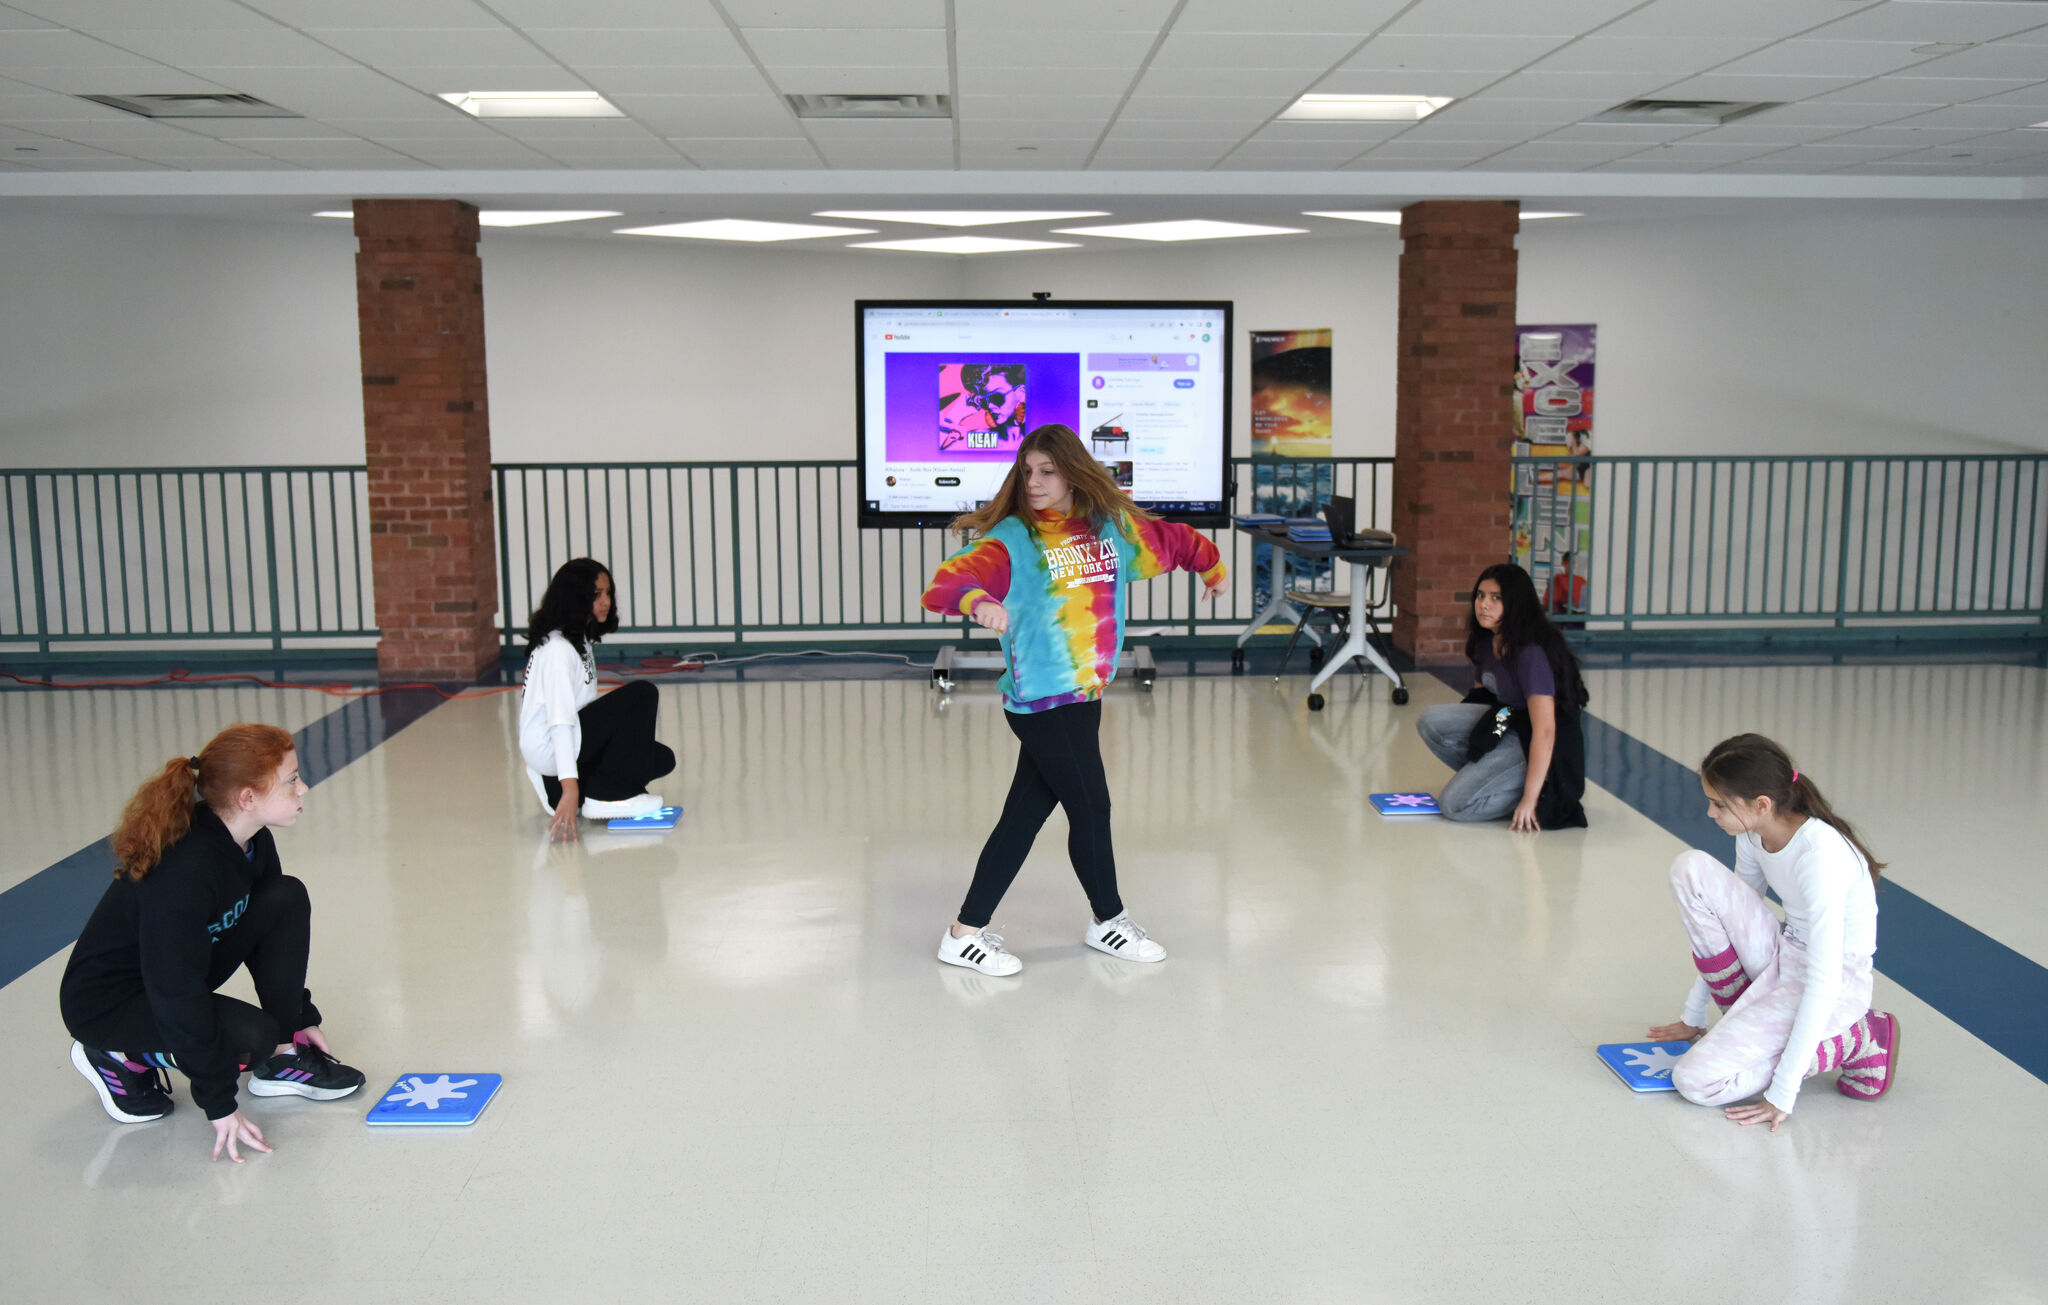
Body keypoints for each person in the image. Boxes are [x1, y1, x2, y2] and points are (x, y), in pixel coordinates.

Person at [921, 424, 1227, 976]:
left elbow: (1173, 540)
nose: (1034, 482)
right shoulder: (1014, 537)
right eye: (1027, 471)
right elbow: (949, 580)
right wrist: (976, 601)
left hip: (1085, 692)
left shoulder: (1107, 529)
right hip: (1044, 701)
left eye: (1048, 471)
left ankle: (964, 932)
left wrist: (1211, 565)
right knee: (1091, 806)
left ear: (1073, 473)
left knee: (1023, 816)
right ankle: (1109, 919)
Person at [59, 724, 366, 1162]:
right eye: (292, 780)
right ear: (247, 797)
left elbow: (270, 937)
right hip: (112, 1003)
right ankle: (120, 1055)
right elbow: (175, 989)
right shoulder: (184, 873)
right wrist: (219, 1102)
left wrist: (297, 1019)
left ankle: (282, 1056)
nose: (304, 789)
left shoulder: (251, 839)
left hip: (177, 968)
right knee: (250, 1039)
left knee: (284, 897)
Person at [1649, 734, 1898, 1129]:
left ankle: (1858, 1037)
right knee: (1689, 869)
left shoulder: (1820, 858)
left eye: (1719, 804)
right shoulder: (1755, 834)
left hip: (1834, 982)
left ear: (1761, 804)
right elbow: (1727, 926)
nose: (1711, 813)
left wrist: (1783, 1091)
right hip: (1785, 951)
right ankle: (1749, 1020)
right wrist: (1693, 1013)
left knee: (1695, 1081)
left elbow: (1824, 980)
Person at [1414, 562, 1589, 830]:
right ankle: (1491, 780)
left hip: (1539, 741)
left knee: (1454, 805)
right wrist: (1480, 743)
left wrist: (1530, 800)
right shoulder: (1487, 639)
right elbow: (1481, 698)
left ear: (1516, 603)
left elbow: (1545, 731)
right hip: (1508, 720)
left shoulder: (1531, 653)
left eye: (1496, 598)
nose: (1484, 604)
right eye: (1481, 595)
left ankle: (1530, 789)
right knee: (1430, 720)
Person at [519, 558, 674, 842]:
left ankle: (558, 788)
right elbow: (560, 722)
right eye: (596, 595)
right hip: (551, 746)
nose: (606, 601)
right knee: (643, 693)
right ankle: (605, 795)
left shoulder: (579, 640)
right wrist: (571, 789)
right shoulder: (557, 650)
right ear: (575, 598)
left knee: (661, 759)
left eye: (608, 592)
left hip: (573, 740)